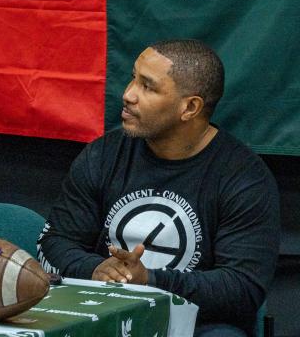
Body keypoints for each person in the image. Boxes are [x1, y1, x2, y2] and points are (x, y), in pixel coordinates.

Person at [38, 40, 280, 336]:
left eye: (148, 87)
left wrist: (150, 281)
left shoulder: (244, 177)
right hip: (100, 312)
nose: (127, 95)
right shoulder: (103, 155)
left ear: (189, 107)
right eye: (132, 78)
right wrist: (96, 268)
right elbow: (55, 241)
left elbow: (242, 288)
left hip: (197, 325)